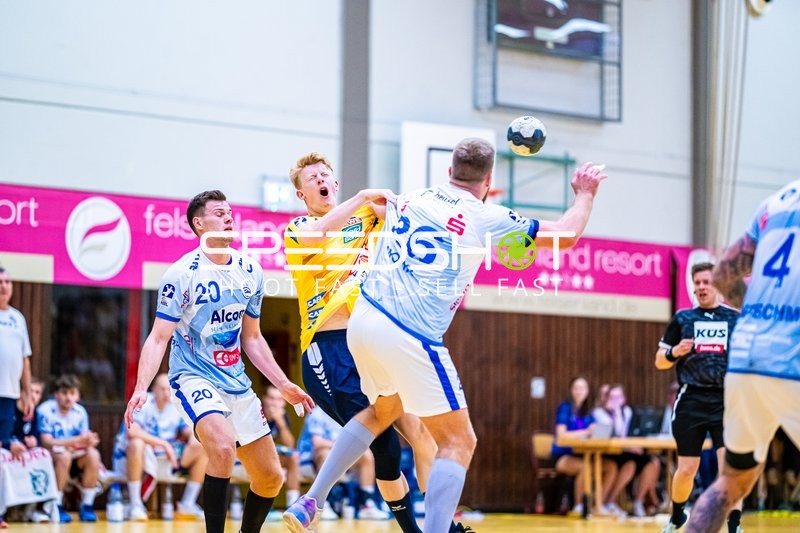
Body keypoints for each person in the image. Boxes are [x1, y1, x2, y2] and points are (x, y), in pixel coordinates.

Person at [285, 138, 606, 533]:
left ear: (448, 172)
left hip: (365, 319)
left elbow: (379, 209)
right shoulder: (486, 215)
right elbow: (565, 234)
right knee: (459, 440)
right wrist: (585, 194)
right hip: (400, 332)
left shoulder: (412, 198)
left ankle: (310, 500)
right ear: (489, 180)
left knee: (385, 414)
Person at [124, 190, 314, 533]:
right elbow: (158, 337)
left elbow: (252, 339)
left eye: (229, 212)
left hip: (237, 382)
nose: (229, 217)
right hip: (194, 376)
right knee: (224, 447)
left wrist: (283, 383)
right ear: (199, 224)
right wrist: (140, 388)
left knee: (271, 478)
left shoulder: (249, 270)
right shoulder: (180, 274)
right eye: (219, 213)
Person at [282, 152, 440, 533]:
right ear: (303, 194)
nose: (321, 179)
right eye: (312, 177)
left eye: (325, 174)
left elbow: (405, 223)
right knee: (385, 450)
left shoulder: (366, 217)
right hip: (328, 347)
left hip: (372, 344)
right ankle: (312, 502)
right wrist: (362, 197)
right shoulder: (298, 227)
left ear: (334, 183)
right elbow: (318, 236)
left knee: (421, 434)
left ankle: (440, 522)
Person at [686, 181, 800, 532]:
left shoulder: (778, 201)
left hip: (747, 354)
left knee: (731, 483)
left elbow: (723, 273)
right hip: (792, 359)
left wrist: (756, 315)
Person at [655, 262, 742, 533]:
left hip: (726, 402)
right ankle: (678, 514)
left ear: (717, 284)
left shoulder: (735, 319)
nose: (701, 287)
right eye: (698, 283)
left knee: (729, 469)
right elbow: (659, 361)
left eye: (706, 282)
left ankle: (734, 525)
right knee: (686, 469)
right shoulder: (683, 319)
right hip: (691, 400)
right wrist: (675, 353)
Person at [113, 373, 208, 521]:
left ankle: (187, 504)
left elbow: (186, 429)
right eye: (162, 389)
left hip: (164, 456)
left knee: (201, 446)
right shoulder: (142, 402)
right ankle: (135, 504)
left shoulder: (176, 404)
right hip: (134, 455)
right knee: (137, 444)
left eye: (168, 389)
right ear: (154, 390)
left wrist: (195, 435)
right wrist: (164, 444)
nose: (166, 393)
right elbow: (132, 432)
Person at [37, 374, 101, 523]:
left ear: (78, 395)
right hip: (50, 459)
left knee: (93, 454)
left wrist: (90, 441)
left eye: (72, 393)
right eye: (64, 393)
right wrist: (76, 441)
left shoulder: (80, 412)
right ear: (56, 395)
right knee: (64, 456)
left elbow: (83, 439)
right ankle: (56, 506)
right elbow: (46, 442)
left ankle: (87, 506)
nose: (68, 398)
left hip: (73, 456)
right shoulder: (45, 410)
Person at [551, 376, 617, 516]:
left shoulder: (588, 412)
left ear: (587, 391)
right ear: (571, 390)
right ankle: (579, 506)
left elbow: (594, 431)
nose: (579, 391)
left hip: (583, 454)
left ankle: (599, 504)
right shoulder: (565, 408)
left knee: (611, 467)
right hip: (563, 456)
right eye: (576, 388)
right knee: (585, 467)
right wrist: (585, 432)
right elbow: (561, 435)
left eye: (582, 388)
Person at [592, 384, 661, 517]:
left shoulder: (628, 411)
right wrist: (616, 413)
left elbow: (631, 432)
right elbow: (617, 434)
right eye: (612, 397)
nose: (615, 400)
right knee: (629, 464)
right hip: (610, 452)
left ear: (624, 398)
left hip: (628, 451)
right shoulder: (600, 413)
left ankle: (638, 501)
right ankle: (609, 501)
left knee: (652, 462)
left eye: (618, 397)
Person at [0, 266, 34, 458]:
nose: (4, 286)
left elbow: (25, 360)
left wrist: (27, 394)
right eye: (0, 282)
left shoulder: (18, 318)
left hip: (10, 394)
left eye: (7, 282)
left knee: (5, 450)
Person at [262, 384, 301, 510]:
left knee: (293, 457)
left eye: (279, 399)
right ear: (264, 399)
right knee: (268, 458)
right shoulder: (256, 414)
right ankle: (264, 508)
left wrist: (281, 423)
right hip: (251, 456)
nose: (274, 403)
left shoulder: (282, 417)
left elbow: (290, 445)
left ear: (284, 403)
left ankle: (293, 505)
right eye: (271, 398)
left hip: (269, 455)